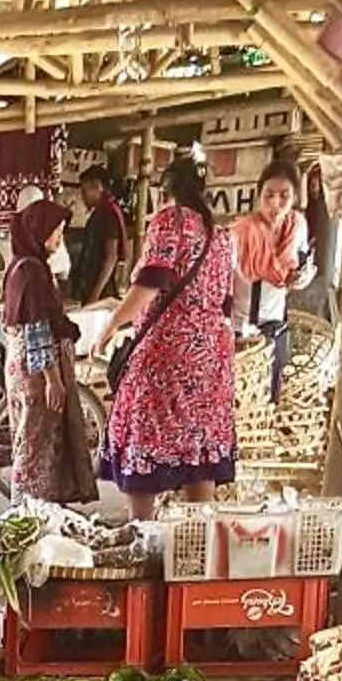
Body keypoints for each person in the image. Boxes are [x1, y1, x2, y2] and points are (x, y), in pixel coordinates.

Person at [99, 154, 237, 517]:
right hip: (212, 357)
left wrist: (112, 323)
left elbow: (150, 283)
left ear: (166, 193)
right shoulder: (221, 236)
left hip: (170, 352)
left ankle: (142, 532)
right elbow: (226, 301)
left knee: (143, 431)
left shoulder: (171, 220)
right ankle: (198, 536)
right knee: (199, 442)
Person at [1, 198, 98, 505]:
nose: (59, 238)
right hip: (37, 373)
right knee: (36, 446)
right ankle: (31, 513)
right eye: (56, 232)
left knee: (29, 441)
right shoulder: (32, 274)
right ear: (39, 231)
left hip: (20, 367)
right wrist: (52, 380)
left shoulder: (19, 267)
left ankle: (33, 510)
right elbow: (37, 331)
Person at [232, 158, 315, 400]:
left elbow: (302, 265)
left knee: (270, 399)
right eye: (268, 195)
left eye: (284, 196)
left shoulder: (298, 227)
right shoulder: (241, 233)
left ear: (295, 199)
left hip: (275, 326)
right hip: (239, 329)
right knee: (240, 402)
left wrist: (302, 278)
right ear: (258, 195)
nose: (275, 204)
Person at [66, 165, 129, 307]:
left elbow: (111, 257)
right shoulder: (99, 213)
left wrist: (95, 296)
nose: (82, 196)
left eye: (84, 191)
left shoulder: (107, 214)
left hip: (101, 292)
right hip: (91, 287)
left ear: (97, 187)